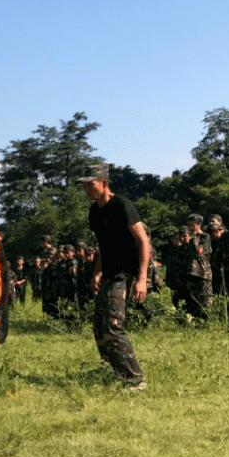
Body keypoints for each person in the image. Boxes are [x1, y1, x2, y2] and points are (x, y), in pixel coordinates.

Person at [79, 164, 151, 390]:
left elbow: (143, 241)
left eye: (91, 185)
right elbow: (103, 245)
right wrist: (97, 273)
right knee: (99, 327)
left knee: (112, 324)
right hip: (108, 273)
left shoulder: (122, 205)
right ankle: (113, 372)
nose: (87, 190)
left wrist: (141, 279)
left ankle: (135, 380)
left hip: (125, 273)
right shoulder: (94, 211)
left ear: (104, 183)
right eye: (84, 186)